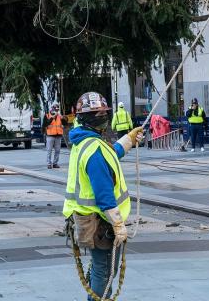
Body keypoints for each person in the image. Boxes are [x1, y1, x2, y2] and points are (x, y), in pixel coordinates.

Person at [63, 91, 144, 301]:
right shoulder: (93, 148)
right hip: (101, 223)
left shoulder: (86, 141)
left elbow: (110, 154)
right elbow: (104, 193)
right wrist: (118, 224)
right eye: (100, 114)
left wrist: (128, 140)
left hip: (90, 220)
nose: (104, 117)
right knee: (104, 272)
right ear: (91, 118)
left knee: (101, 269)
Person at [44, 102, 65, 169]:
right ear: (52, 109)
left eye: (57, 110)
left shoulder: (59, 116)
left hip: (58, 135)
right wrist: (52, 118)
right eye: (55, 109)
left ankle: (55, 163)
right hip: (50, 135)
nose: (56, 111)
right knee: (49, 150)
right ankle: (49, 164)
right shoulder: (47, 115)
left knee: (57, 150)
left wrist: (63, 119)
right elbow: (45, 124)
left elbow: (65, 123)